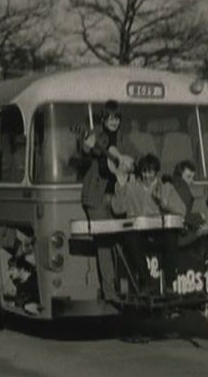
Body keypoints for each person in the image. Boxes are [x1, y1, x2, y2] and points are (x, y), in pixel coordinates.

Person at [77, 100, 133, 301]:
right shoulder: (96, 136)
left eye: (117, 118)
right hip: (97, 197)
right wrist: (87, 145)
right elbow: (84, 152)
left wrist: (127, 164)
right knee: (105, 242)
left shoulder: (124, 138)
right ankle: (110, 292)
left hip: (118, 196)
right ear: (103, 119)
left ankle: (127, 288)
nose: (114, 122)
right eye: (110, 118)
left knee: (124, 240)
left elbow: (133, 159)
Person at [111, 153, 185, 294]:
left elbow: (182, 211)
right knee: (129, 236)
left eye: (150, 172)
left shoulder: (166, 188)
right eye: (144, 171)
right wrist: (120, 186)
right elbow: (117, 208)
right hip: (140, 236)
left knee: (171, 236)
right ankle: (145, 280)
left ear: (156, 172)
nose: (147, 176)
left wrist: (164, 205)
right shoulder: (131, 188)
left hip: (159, 235)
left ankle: (170, 282)